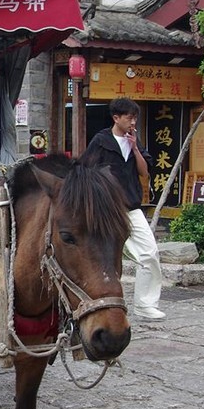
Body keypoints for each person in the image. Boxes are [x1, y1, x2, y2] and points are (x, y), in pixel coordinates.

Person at [83, 97, 165, 321]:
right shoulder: (101, 141)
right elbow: (86, 172)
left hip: (131, 207)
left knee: (149, 252)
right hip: (106, 209)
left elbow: (144, 173)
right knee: (103, 258)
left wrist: (135, 148)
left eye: (135, 117)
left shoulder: (133, 141)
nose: (132, 121)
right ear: (116, 118)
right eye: (129, 117)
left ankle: (145, 304)